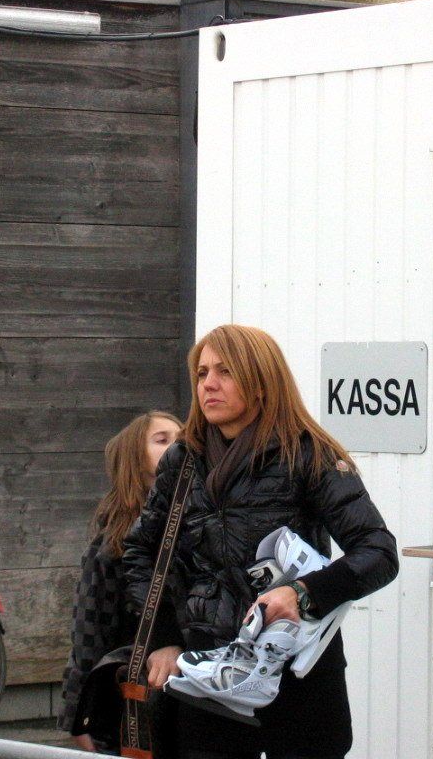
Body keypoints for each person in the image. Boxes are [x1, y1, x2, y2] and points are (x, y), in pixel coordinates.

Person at [122, 325, 399, 759]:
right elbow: (141, 553)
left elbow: (378, 552)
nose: (208, 384)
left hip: (296, 677)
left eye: (225, 371)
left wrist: (303, 593)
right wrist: (165, 637)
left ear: (261, 382)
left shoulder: (308, 453)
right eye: (202, 373)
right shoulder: (183, 460)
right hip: (207, 679)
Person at [59, 410, 184, 751]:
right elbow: (88, 630)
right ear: (135, 459)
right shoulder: (113, 543)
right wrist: (78, 715)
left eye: (182, 438)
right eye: (162, 440)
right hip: (133, 702)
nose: (178, 446)